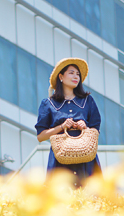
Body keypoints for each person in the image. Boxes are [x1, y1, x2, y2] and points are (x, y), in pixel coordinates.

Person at [35, 57, 101, 186]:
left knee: (90, 194)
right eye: (71, 73)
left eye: (78, 74)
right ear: (61, 76)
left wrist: (85, 128)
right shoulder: (48, 104)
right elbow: (40, 136)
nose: (75, 76)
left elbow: (96, 130)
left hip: (86, 158)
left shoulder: (88, 101)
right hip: (60, 160)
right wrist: (62, 126)